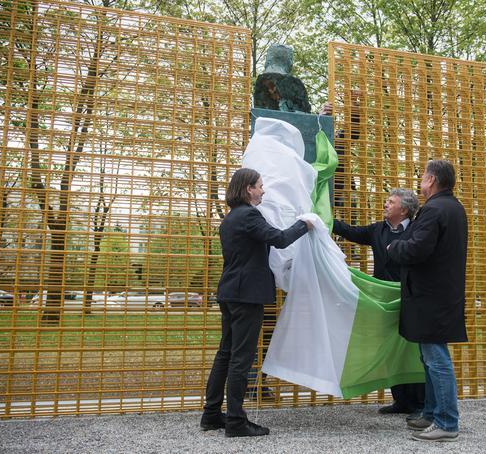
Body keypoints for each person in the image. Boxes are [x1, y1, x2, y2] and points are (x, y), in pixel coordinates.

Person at [200, 168, 312, 438]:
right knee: (241, 358)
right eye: (260, 186)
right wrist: (305, 223)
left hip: (229, 292)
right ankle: (237, 422)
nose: (263, 191)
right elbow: (280, 239)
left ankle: (212, 415)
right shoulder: (250, 215)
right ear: (249, 189)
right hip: (247, 295)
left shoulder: (229, 219)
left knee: (225, 354)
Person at [387, 160, 468, 442]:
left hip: (430, 296)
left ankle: (446, 422)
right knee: (429, 356)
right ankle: (432, 413)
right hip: (441, 293)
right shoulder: (454, 208)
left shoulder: (434, 209)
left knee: (436, 359)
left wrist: (392, 246)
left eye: (423, 175)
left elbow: (417, 248)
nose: (420, 180)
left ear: (431, 180)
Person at [332, 189, 426, 415]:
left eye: (390, 202)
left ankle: (420, 403)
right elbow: (350, 232)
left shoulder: (417, 231)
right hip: (383, 300)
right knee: (389, 349)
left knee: (411, 350)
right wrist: (326, 219)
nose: (385, 204)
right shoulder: (377, 229)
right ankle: (401, 401)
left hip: (409, 298)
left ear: (403, 209)